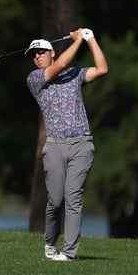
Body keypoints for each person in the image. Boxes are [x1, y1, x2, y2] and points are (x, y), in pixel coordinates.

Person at [24, 28, 108, 261]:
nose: (37, 57)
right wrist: (79, 40)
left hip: (82, 144)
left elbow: (102, 69)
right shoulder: (34, 79)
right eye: (34, 54)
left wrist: (91, 39)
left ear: (50, 51)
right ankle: (50, 243)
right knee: (56, 200)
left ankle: (69, 253)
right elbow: (60, 65)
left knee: (73, 198)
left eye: (40, 52)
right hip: (55, 147)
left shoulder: (74, 75)